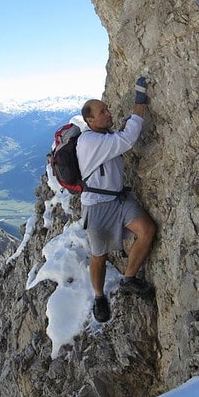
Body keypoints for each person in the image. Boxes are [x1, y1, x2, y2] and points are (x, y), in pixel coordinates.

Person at [76, 77, 157, 323]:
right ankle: (99, 296)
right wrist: (139, 104)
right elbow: (126, 140)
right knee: (99, 257)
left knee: (147, 230)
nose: (108, 113)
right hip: (98, 206)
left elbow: (116, 140)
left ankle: (129, 278)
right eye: (102, 112)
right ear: (90, 121)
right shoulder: (89, 141)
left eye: (107, 109)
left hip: (119, 199)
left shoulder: (102, 136)